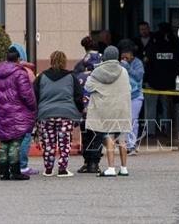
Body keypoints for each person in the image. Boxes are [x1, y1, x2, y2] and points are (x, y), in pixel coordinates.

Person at [34, 51, 84, 177]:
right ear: (64, 62)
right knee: (64, 142)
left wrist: (36, 112)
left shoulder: (42, 77)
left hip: (46, 114)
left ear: (51, 61)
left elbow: (35, 96)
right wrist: (79, 110)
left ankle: (48, 169)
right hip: (66, 114)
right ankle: (62, 169)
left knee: (48, 142)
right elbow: (78, 96)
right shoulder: (71, 77)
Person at [0, 46, 37, 181]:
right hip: (17, 111)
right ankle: (15, 171)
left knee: (4, 141)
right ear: (18, 59)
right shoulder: (20, 73)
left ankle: (3, 171)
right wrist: (33, 107)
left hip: (2, 111)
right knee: (15, 141)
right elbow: (27, 94)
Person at [85, 46, 132, 177]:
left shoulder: (97, 71)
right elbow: (128, 88)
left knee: (109, 136)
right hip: (122, 108)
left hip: (106, 108)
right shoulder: (123, 71)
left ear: (105, 56)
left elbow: (88, 87)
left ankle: (111, 168)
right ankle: (124, 168)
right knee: (122, 138)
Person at [7, 43, 38, 176]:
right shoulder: (27, 72)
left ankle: (9, 164)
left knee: (10, 138)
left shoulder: (2, 70)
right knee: (25, 137)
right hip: (23, 110)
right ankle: (22, 165)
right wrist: (33, 108)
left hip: (7, 109)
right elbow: (31, 93)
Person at [73, 36, 103, 174]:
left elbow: (74, 86)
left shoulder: (80, 65)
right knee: (98, 134)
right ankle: (94, 163)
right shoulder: (103, 64)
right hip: (100, 104)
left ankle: (87, 162)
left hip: (84, 105)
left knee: (86, 134)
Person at [144, 23, 179, 136]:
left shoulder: (153, 41)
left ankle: (150, 132)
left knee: (151, 107)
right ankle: (166, 129)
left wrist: (146, 78)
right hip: (168, 82)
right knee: (166, 108)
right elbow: (178, 62)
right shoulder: (174, 43)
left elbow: (147, 60)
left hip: (153, 81)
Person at [118, 40, 144, 155]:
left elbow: (139, 76)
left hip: (136, 96)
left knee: (133, 120)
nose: (124, 56)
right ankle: (126, 144)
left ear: (132, 53)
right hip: (122, 96)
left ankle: (131, 145)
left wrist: (128, 68)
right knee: (124, 121)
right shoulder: (119, 64)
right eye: (122, 54)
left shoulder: (138, 63)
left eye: (127, 53)